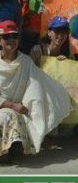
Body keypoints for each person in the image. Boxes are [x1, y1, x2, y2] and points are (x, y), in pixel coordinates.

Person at [0, 20, 71, 161]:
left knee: (12, 116)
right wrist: (11, 105)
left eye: (14, 36)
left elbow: (39, 85)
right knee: (6, 116)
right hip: (6, 106)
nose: (11, 40)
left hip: (20, 108)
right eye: (7, 37)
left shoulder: (26, 62)